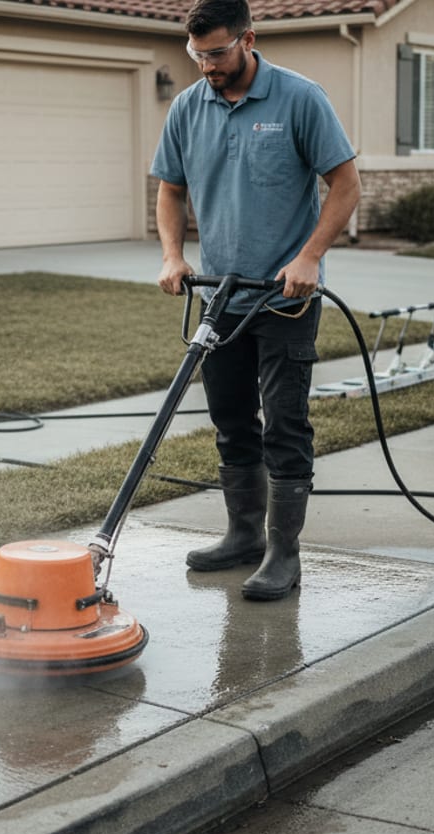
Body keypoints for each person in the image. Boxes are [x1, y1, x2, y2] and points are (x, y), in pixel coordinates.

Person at [151, 0, 360, 601]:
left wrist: (310, 256)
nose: (206, 67)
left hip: (284, 298)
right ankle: (242, 535)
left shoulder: (299, 97)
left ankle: (283, 553)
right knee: (231, 422)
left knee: (285, 425)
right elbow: (171, 189)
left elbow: (344, 185)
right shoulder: (189, 106)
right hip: (221, 299)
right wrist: (172, 254)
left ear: (247, 39)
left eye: (216, 53)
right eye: (197, 56)